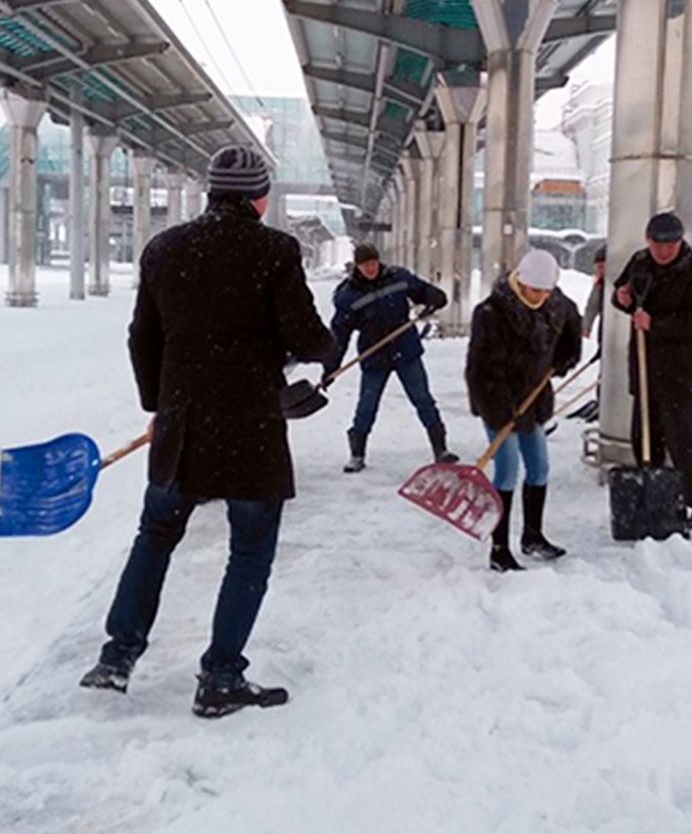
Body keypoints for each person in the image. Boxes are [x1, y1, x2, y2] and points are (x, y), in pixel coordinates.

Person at [80, 145, 333, 718]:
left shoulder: (165, 249)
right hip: (250, 428)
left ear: (212, 192)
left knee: (156, 534)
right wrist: (326, 349)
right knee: (249, 548)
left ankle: (118, 655)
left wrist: (158, 403)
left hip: (184, 425)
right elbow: (302, 329)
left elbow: (142, 337)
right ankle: (220, 675)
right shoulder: (274, 251)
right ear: (259, 198)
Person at [466, 250, 582, 572]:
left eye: (546, 291)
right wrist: (501, 409)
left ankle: (533, 535)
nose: (541, 297)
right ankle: (499, 549)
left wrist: (564, 358)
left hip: (533, 400)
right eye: (535, 291)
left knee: (540, 468)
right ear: (521, 282)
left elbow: (572, 330)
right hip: (499, 403)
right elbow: (480, 371)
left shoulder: (557, 306)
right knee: (506, 471)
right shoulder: (492, 313)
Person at [613, 212, 692, 530]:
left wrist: (656, 324)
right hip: (645, 368)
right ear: (648, 241)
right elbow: (624, 293)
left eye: (670, 246)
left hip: (679, 371)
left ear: (680, 242)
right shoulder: (639, 262)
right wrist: (622, 298)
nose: (663, 252)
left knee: (683, 441)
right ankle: (658, 499)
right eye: (658, 245)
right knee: (643, 438)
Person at [325, 243, 457, 473]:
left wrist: (435, 297)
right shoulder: (348, 295)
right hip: (374, 355)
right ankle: (357, 454)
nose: (371, 268)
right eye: (366, 264)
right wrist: (330, 367)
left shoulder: (398, 277)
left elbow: (422, 290)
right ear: (357, 266)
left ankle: (440, 449)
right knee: (367, 406)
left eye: (374, 262)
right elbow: (340, 336)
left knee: (423, 399)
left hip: (406, 350)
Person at [582, 245, 607, 340]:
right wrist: (586, 326)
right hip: (604, 326)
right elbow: (592, 306)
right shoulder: (600, 284)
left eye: (602, 267)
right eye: (597, 267)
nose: (599, 271)